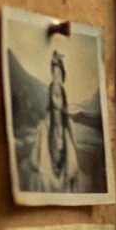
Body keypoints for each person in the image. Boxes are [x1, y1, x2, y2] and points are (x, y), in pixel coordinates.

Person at [44, 50, 73, 189]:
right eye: (55, 73)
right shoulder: (51, 88)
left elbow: (64, 106)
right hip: (53, 121)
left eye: (59, 74)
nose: (57, 76)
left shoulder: (62, 90)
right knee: (55, 141)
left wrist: (65, 113)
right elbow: (53, 104)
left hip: (61, 120)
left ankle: (61, 169)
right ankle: (54, 167)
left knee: (63, 141)